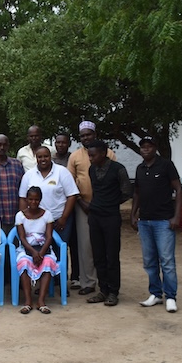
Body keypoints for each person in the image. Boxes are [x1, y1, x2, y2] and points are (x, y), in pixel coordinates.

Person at [131, 136, 182, 313]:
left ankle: (170, 296)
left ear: (155, 148)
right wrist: (133, 214)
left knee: (167, 260)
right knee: (149, 261)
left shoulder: (166, 165)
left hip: (163, 221)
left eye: (149, 146)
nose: (146, 149)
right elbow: (137, 193)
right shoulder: (139, 168)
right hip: (145, 221)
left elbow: (178, 189)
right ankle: (155, 293)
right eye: (143, 147)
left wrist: (176, 216)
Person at [67, 121, 117, 296]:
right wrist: (81, 202)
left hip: (105, 207)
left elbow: (115, 179)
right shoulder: (74, 156)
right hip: (83, 206)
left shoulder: (109, 153)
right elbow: (70, 183)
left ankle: (107, 282)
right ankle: (88, 281)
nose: (85, 138)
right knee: (85, 245)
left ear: (95, 134)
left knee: (106, 245)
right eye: (82, 136)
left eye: (88, 134)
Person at [85, 140, 132, 307]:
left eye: (93, 155)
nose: (90, 158)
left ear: (104, 153)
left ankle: (113, 291)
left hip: (111, 217)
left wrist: (111, 203)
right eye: (89, 155)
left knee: (112, 255)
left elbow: (127, 192)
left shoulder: (118, 169)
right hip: (95, 216)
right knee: (98, 255)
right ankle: (103, 289)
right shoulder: (92, 169)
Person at [15, 186, 61, 314]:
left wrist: (41, 253)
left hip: (44, 247)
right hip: (26, 248)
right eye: (31, 199)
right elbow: (22, 238)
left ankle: (41, 301)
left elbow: (49, 236)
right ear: (27, 200)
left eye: (36, 199)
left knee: (48, 262)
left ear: (40, 200)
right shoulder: (20, 215)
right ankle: (28, 301)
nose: (33, 202)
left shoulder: (47, 214)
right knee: (23, 262)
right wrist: (34, 252)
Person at [19, 147, 78, 244]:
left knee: (60, 252)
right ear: (36, 158)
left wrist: (63, 218)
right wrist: (24, 219)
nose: (43, 159)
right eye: (40, 157)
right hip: (36, 223)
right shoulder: (28, 175)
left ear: (50, 157)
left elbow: (72, 195)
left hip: (59, 221)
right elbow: (22, 198)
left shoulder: (62, 172)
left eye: (46, 156)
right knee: (40, 251)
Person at [52, 133, 80, 289]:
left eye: (64, 142)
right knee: (56, 245)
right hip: (55, 208)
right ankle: (56, 278)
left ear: (69, 144)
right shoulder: (51, 160)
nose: (60, 145)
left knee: (73, 244)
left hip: (71, 207)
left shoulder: (73, 158)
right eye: (58, 142)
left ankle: (75, 276)